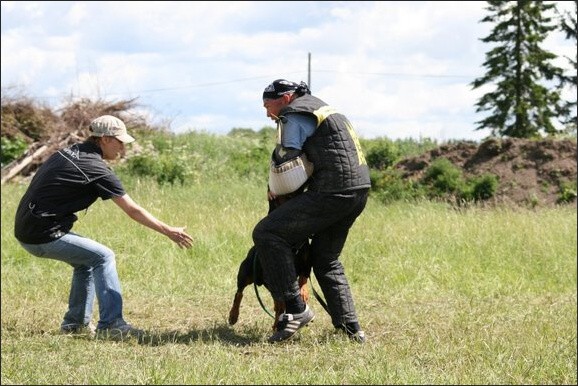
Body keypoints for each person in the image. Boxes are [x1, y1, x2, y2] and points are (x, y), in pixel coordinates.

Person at [14, 115, 194, 340]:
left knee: (86, 263)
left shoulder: (68, 152)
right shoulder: (95, 168)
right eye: (119, 142)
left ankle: (74, 324)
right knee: (103, 256)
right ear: (104, 139)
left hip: (27, 227)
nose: (123, 148)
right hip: (42, 234)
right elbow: (133, 210)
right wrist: (168, 230)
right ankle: (112, 324)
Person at [253, 79, 371, 343]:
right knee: (325, 259)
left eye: (267, 106)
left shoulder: (293, 113)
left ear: (284, 99)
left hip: (332, 192)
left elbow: (287, 157)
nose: (267, 114)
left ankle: (295, 309)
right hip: (358, 190)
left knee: (267, 233)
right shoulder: (324, 109)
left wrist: (276, 188)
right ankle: (351, 328)